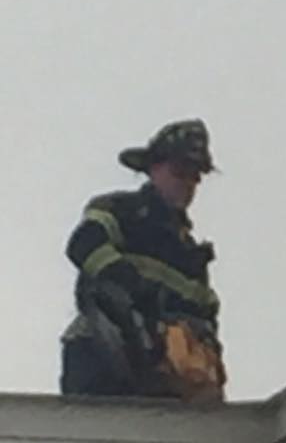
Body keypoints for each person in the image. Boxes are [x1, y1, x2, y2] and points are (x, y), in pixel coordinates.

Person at [61, 119, 226, 400]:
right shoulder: (120, 210)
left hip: (166, 379)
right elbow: (84, 244)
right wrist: (127, 285)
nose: (187, 184)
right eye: (180, 172)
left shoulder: (190, 254)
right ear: (154, 167)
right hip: (100, 360)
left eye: (195, 176)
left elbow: (205, 318)